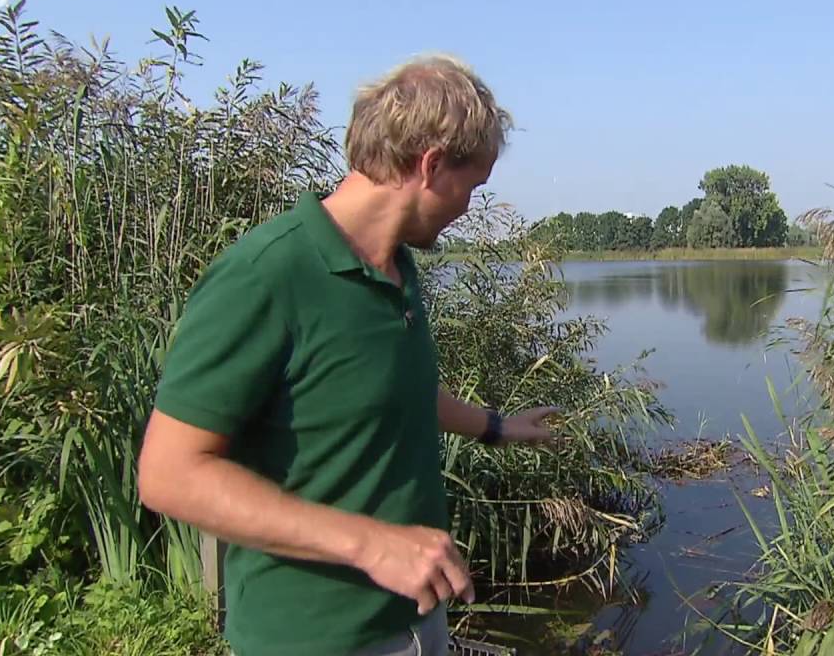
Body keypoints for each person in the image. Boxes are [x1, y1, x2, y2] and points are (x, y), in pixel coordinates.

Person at [137, 54, 557, 656]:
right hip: (315, 637)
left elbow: (394, 387)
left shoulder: (396, 266)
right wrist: (371, 545)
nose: (468, 207)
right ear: (431, 165)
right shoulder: (268, 274)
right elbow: (168, 475)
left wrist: (495, 426)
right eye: (473, 186)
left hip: (415, 619)